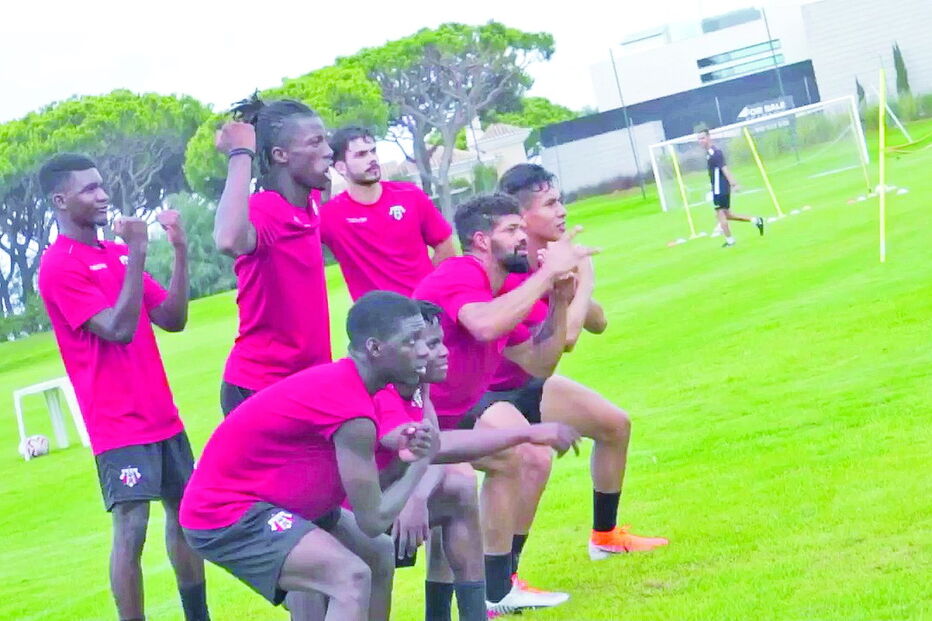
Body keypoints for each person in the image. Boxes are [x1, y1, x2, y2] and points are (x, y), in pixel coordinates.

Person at [180, 291, 437, 620]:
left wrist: (406, 456)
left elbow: (369, 496)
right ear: (374, 348)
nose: (424, 351)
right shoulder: (352, 409)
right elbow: (373, 520)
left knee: (378, 554)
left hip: (276, 500)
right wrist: (421, 464)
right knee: (350, 578)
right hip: (224, 513)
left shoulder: (356, 389)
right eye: (411, 341)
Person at [37, 153, 209, 621]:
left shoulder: (112, 254)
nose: (102, 194)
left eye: (102, 185)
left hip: (161, 414)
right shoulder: (59, 267)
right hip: (116, 423)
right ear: (60, 200)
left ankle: (199, 615)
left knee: (185, 514)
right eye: (89, 189)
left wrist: (178, 250)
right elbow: (116, 328)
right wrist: (136, 253)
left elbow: (172, 318)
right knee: (132, 528)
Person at [413, 193, 597, 613]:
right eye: (511, 230)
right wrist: (547, 274)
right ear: (481, 240)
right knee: (379, 542)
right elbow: (481, 325)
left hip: (446, 418)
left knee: (497, 470)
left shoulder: (496, 289)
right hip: (400, 420)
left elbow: (538, 362)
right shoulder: (459, 274)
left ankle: (494, 593)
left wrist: (562, 298)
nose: (523, 239)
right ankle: (484, 598)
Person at [493, 164, 668, 571]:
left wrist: (572, 278)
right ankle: (504, 579)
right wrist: (583, 275)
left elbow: (598, 322)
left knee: (614, 425)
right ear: (523, 218)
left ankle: (605, 538)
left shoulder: (552, 258)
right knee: (533, 463)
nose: (562, 211)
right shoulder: (514, 268)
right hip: (493, 392)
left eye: (561, 201)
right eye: (551, 203)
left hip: (531, 382)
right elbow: (566, 339)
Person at [379, 301, 580, 620]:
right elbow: (410, 447)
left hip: (381, 501)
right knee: (351, 581)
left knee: (457, 491)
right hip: (348, 514)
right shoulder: (381, 394)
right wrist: (411, 498)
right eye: (432, 344)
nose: (445, 352)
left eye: (441, 341)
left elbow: (434, 448)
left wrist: (417, 496)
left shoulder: (419, 385)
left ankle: (461, 611)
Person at [212, 93, 334, 415]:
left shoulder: (310, 204)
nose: (328, 152)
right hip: (261, 388)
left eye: (327, 142)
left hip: (307, 383)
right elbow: (227, 238)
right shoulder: (267, 209)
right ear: (281, 155)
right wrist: (241, 153)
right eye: (315, 143)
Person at [321, 126, 456, 300]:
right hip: (379, 322)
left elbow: (445, 245)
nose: (372, 159)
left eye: (373, 151)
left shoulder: (410, 195)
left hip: (426, 312)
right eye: (361, 155)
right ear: (340, 167)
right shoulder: (331, 216)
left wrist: (429, 291)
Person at [696, 128, 765, 247]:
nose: (700, 141)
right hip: (720, 188)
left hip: (719, 189)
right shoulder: (710, 153)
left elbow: (724, 169)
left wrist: (734, 183)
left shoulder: (714, 153)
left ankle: (730, 241)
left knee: (720, 215)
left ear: (709, 137)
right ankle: (755, 220)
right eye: (699, 139)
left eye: (702, 138)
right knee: (727, 215)